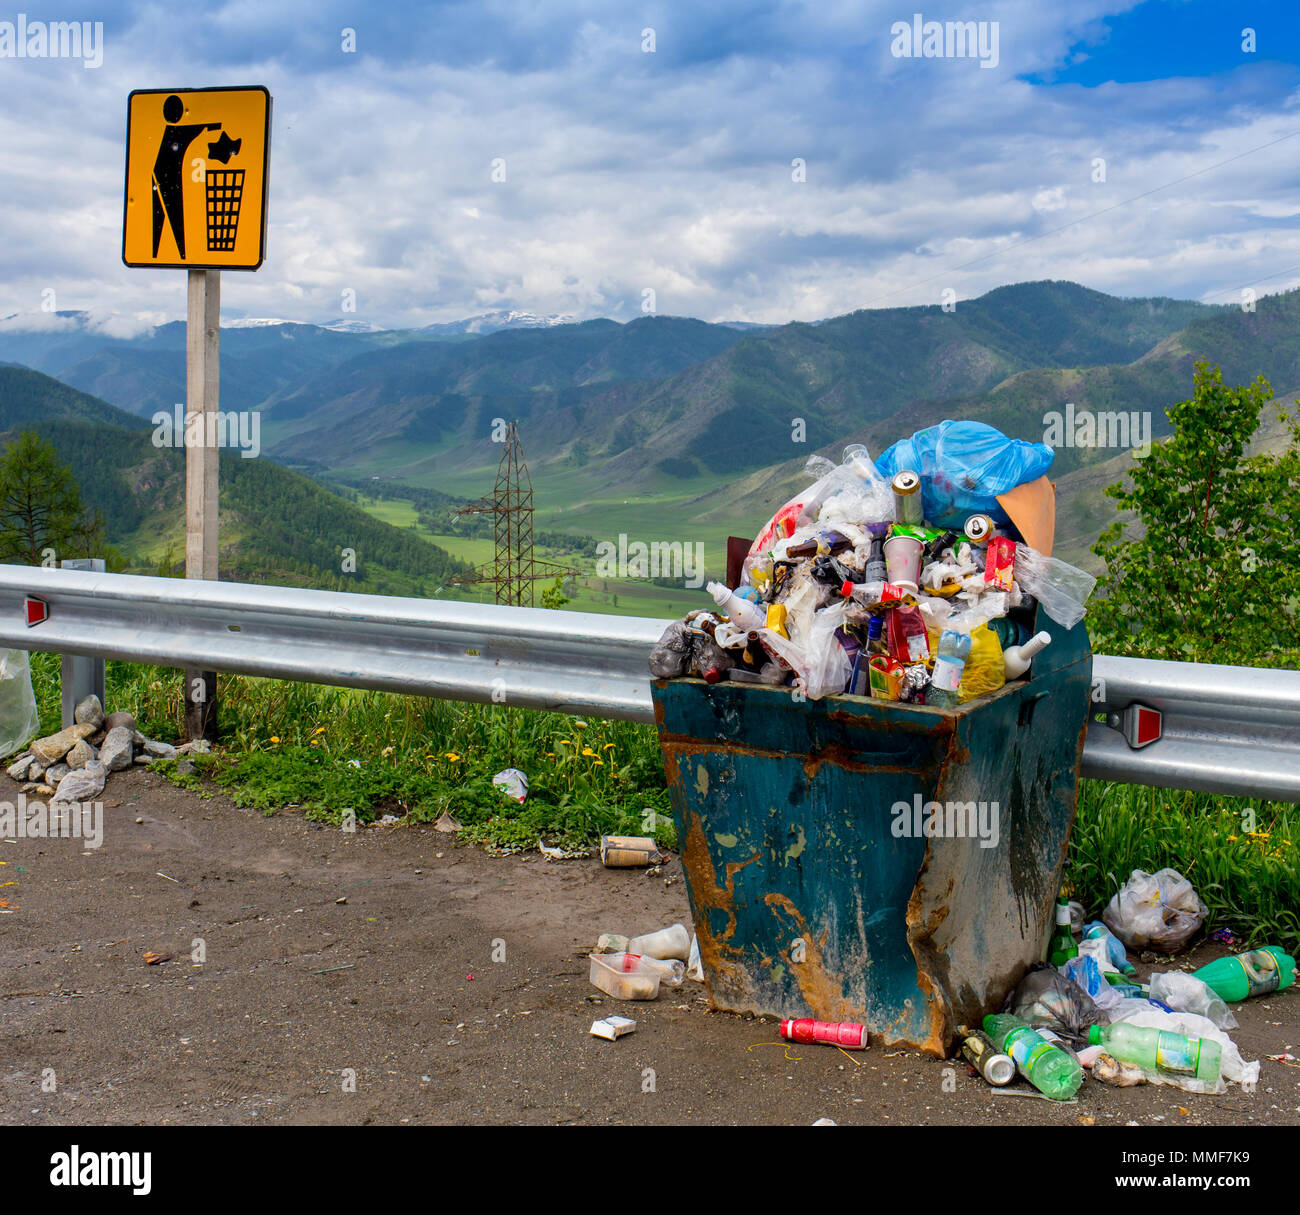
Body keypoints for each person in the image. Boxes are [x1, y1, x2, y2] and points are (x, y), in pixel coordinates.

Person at [151, 94, 221, 259]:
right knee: (172, 218)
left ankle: (173, 253)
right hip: (164, 178)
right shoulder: (176, 133)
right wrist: (215, 125)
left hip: (161, 176)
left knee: (170, 219)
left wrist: (214, 125)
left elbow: (196, 128)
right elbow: (196, 129)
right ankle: (180, 254)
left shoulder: (172, 132)